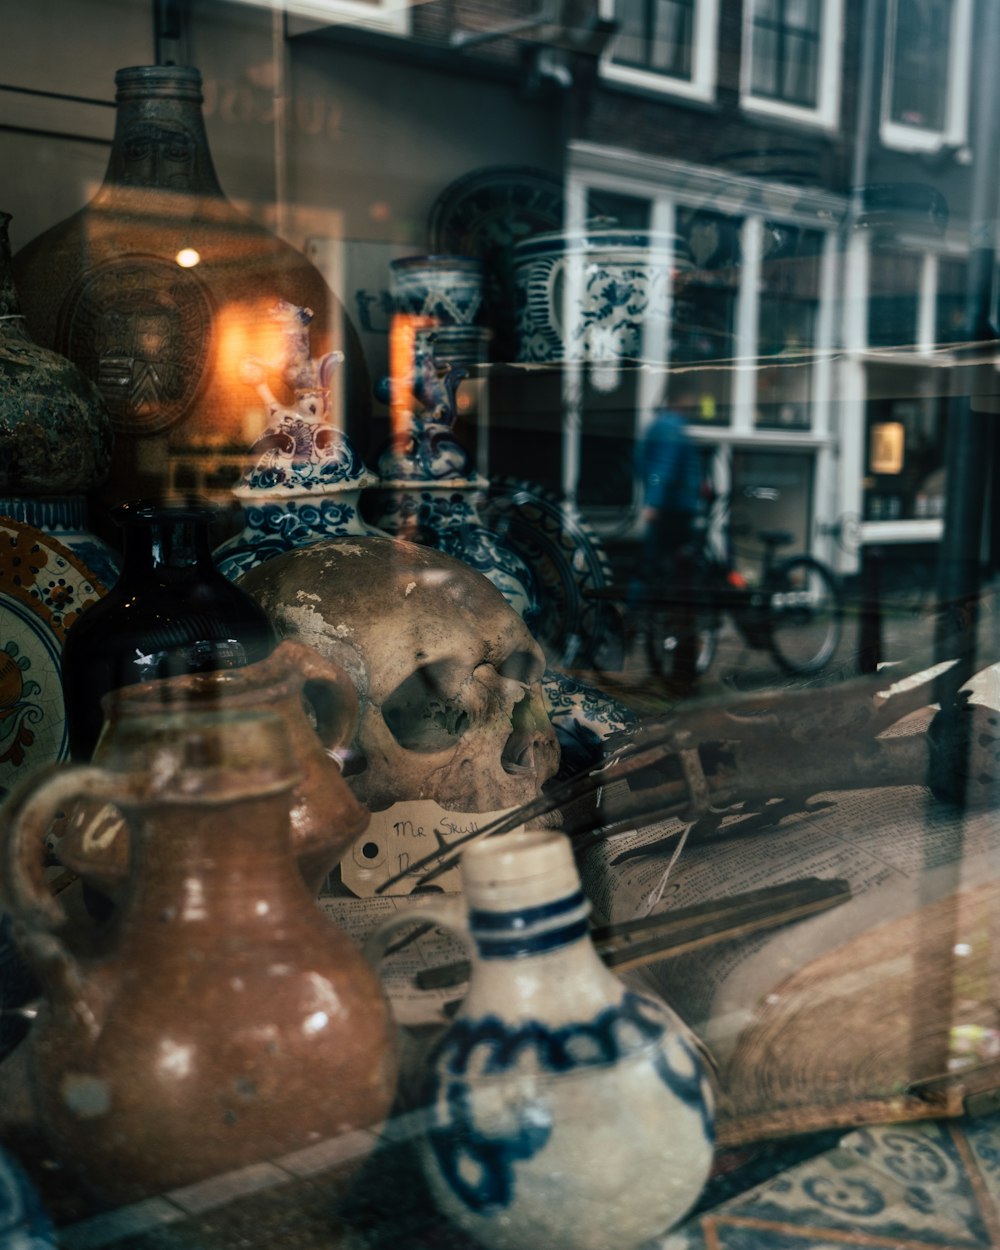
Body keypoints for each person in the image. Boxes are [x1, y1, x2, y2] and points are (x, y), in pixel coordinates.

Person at [629, 383, 704, 689]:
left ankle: (645, 631)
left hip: (670, 509)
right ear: (681, 399)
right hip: (674, 513)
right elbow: (664, 466)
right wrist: (655, 503)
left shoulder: (658, 425)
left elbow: (641, 463)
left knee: (659, 575)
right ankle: (680, 666)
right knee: (679, 583)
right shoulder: (672, 426)